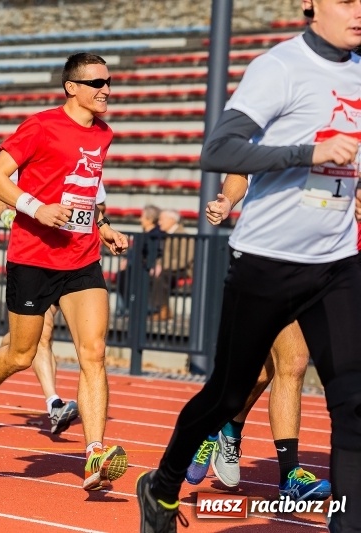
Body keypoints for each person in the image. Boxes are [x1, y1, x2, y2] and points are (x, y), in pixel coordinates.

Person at [136, 1, 361, 531]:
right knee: (227, 395)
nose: (359, 10)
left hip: (337, 262)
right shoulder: (280, 66)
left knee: (353, 400)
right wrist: (308, 153)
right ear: (310, 4)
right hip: (267, 261)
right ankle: (163, 485)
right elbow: (217, 150)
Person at [0, 52, 130, 492]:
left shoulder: (104, 133)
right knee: (21, 354)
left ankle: (94, 454)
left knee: (94, 353)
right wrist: (35, 208)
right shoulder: (41, 126)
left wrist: (103, 226)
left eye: (109, 82)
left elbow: (88, 188)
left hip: (82, 258)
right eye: (97, 83)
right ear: (72, 87)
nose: (106, 89)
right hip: (33, 257)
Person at [185, 173, 330, 501]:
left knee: (263, 371)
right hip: (266, 252)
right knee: (293, 362)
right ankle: (290, 475)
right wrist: (228, 201)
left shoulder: (345, 142)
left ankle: (221, 425)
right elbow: (240, 172)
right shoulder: (268, 137)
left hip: (318, 257)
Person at [0, 189, 105, 434]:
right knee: (39, 334)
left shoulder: (92, 165)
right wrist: (11, 215)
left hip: (75, 261)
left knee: (26, 342)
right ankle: (54, 403)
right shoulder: (31, 167)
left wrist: (103, 226)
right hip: (37, 259)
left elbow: (96, 204)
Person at [115, 204, 163, 316]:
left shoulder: (156, 235)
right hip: (137, 265)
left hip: (145, 266)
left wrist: (129, 261)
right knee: (122, 275)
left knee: (125, 275)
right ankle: (126, 307)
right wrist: (127, 260)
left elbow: (151, 253)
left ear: (150, 219)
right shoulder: (145, 234)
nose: (140, 219)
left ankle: (131, 307)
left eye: (142, 216)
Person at [148, 209, 194, 321]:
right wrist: (157, 265)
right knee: (153, 274)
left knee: (162, 276)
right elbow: (163, 257)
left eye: (162, 219)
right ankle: (155, 308)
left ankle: (163, 309)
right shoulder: (169, 235)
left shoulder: (183, 236)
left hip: (183, 270)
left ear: (172, 220)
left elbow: (183, 260)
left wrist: (162, 266)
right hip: (170, 268)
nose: (159, 223)